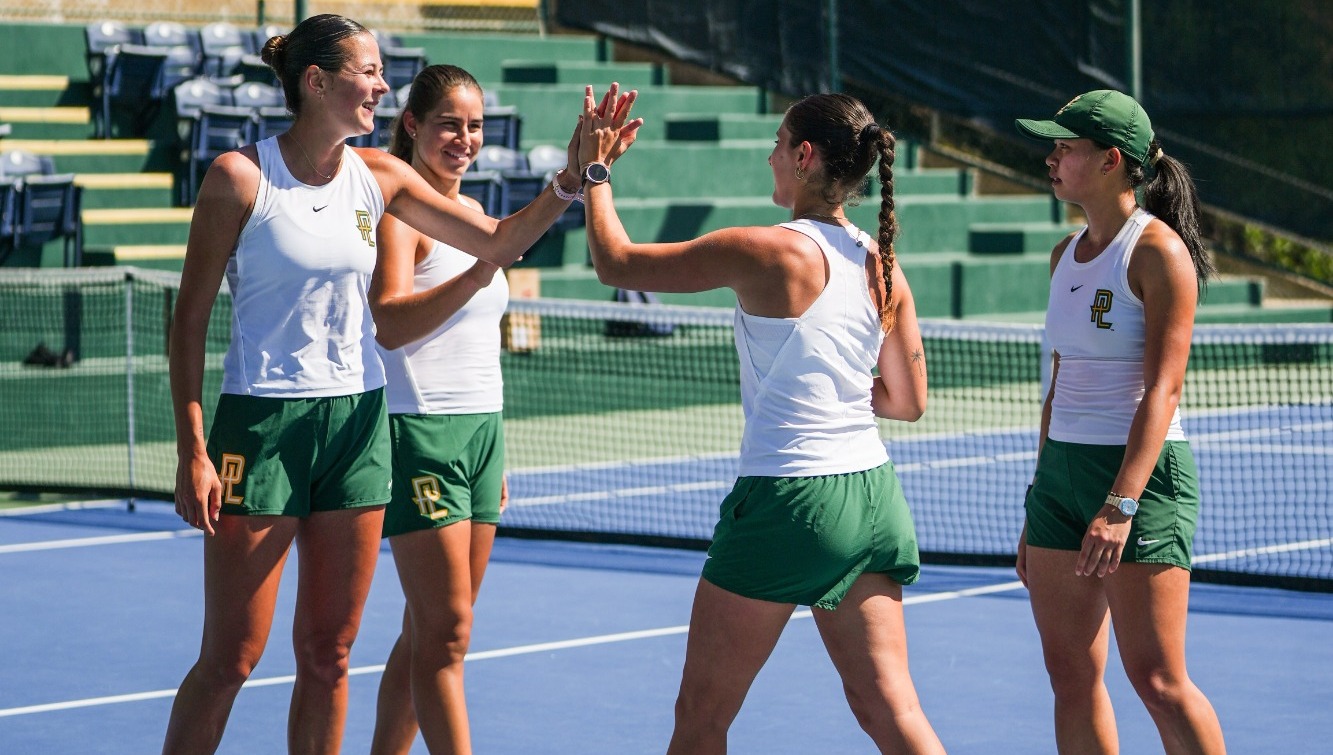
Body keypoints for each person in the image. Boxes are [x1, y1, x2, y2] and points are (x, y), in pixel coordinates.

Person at [163, 14, 632, 752]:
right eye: (369, 72)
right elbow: (188, 321)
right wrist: (193, 448)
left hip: (358, 429)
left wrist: (574, 178)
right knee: (232, 658)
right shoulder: (238, 178)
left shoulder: (380, 174)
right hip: (260, 427)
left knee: (329, 654)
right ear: (317, 82)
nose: (383, 86)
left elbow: (498, 241)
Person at [577, 91, 944, 753]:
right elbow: (908, 401)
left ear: (804, 157)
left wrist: (594, 170)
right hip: (873, 499)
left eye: (778, 144)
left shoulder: (764, 249)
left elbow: (615, 264)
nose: (769, 156)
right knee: (892, 709)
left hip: (788, 502)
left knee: (701, 717)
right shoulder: (882, 264)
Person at [1013, 90, 1226, 754]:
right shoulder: (1062, 255)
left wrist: (1121, 502)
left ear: (1110, 161)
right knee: (1070, 675)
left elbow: (1163, 389)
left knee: (1158, 680)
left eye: (1064, 147)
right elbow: (1058, 384)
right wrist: (1038, 497)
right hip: (1060, 479)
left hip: (1140, 478)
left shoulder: (1158, 252)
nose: (1051, 159)